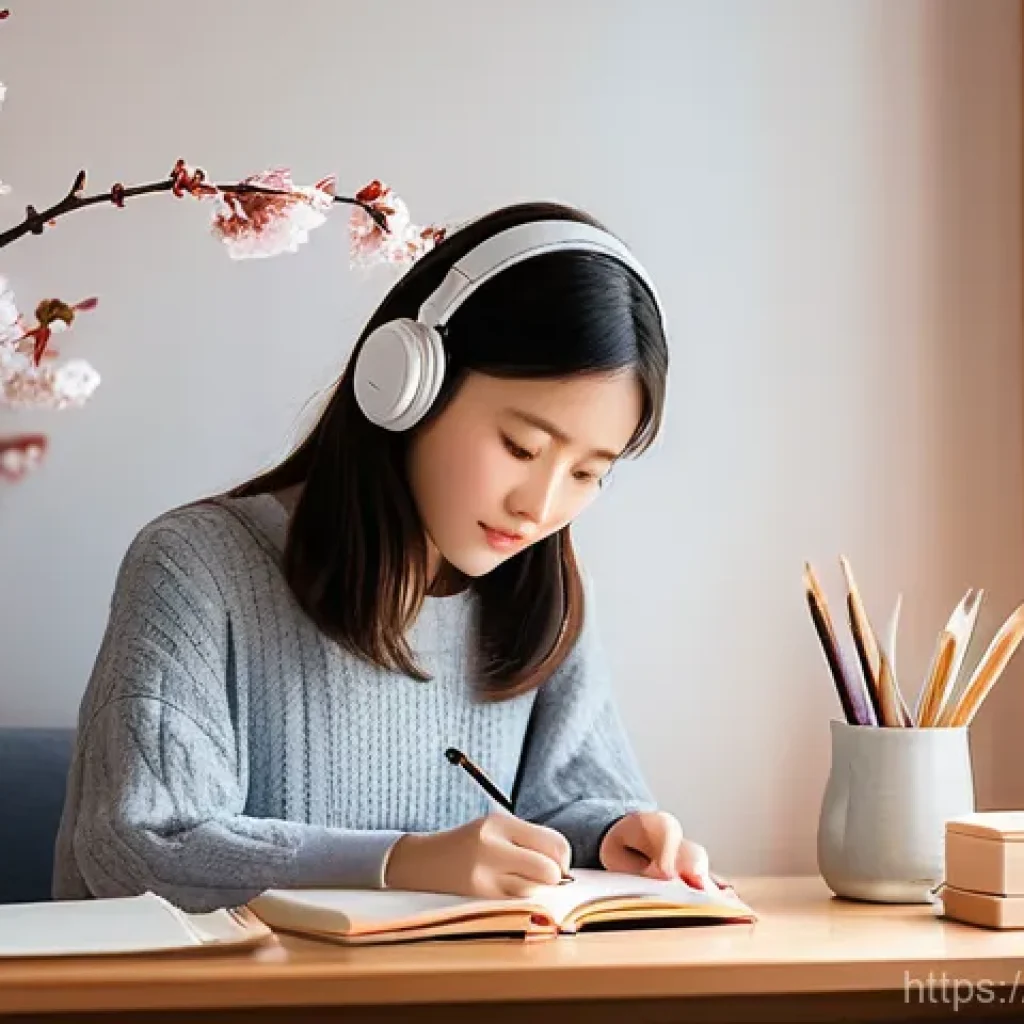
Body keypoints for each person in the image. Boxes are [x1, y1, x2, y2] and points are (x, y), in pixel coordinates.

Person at [53, 201, 723, 913]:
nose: (541, 506)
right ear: (409, 382)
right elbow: (135, 845)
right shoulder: (195, 566)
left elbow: (570, 800)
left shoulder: (539, 597)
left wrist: (614, 832)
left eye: (588, 473)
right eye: (521, 447)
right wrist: (400, 863)